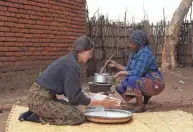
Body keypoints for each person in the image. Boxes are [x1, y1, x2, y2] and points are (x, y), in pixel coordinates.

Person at [18, 36, 119, 125]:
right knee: (78, 117)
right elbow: (74, 98)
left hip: (43, 97)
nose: (91, 56)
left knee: (75, 108)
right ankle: (38, 116)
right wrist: (99, 102)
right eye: (90, 53)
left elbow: (72, 93)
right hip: (40, 100)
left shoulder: (70, 61)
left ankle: (38, 112)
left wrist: (88, 100)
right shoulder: (72, 66)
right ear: (82, 51)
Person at [108, 30, 165, 113]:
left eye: (133, 43)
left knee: (133, 80)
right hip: (145, 80)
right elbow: (129, 69)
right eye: (130, 43)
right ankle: (142, 99)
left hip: (155, 83)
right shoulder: (134, 52)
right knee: (119, 85)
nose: (130, 45)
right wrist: (116, 65)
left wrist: (119, 73)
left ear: (139, 43)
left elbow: (137, 73)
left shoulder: (145, 53)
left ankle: (140, 105)